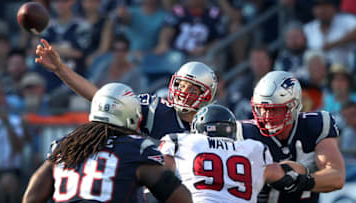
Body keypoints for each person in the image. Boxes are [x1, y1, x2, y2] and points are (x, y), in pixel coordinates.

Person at [22, 83, 192, 203]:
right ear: (131, 115)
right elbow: (180, 197)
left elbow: (32, 197)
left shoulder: (65, 145)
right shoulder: (137, 148)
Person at [35, 39, 218, 140]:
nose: (183, 93)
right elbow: (101, 97)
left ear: (207, 95)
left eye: (192, 90)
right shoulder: (155, 110)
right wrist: (61, 69)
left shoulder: (217, 123)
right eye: (181, 85)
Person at [159, 104, 312, 202]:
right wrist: (307, 177)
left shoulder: (184, 142)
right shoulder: (252, 149)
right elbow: (279, 171)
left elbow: (158, 168)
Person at [238, 71, 345, 202]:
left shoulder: (315, 125)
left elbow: (337, 177)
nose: (267, 116)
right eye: (263, 109)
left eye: (274, 109)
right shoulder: (244, 132)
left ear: (293, 106)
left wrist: (299, 180)